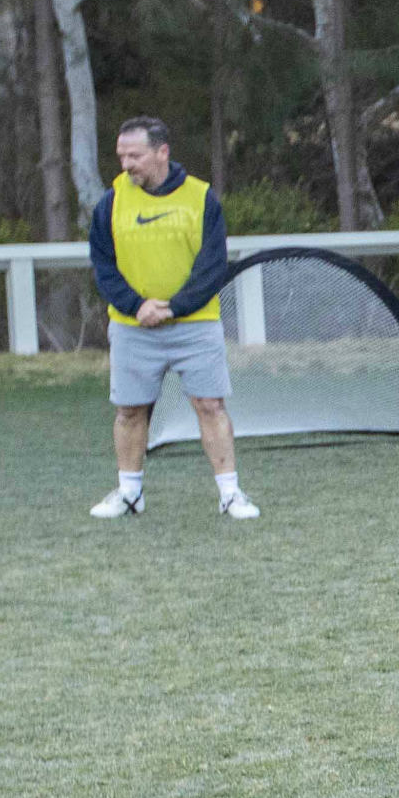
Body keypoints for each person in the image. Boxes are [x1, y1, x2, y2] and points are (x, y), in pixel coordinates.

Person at [88, 115, 257, 522]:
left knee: (210, 405)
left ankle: (230, 494)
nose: (127, 165)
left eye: (136, 155)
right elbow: (103, 265)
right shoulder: (111, 202)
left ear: (162, 152)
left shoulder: (202, 199)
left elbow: (213, 265)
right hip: (132, 328)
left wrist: (173, 307)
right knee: (129, 410)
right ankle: (130, 494)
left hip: (195, 326)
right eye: (121, 156)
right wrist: (137, 306)